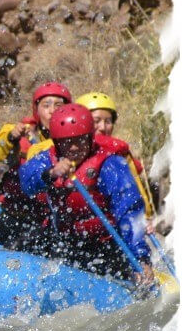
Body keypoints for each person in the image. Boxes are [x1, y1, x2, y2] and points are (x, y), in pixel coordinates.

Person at [18, 103, 154, 292]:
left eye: (80, 140)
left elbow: (129, 212)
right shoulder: (48, 159)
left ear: (91, 138)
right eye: (67, 142)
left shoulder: (110, 164)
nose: (74, 148)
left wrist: (141, 259)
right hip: (65, 243)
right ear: (57, 143)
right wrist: (50, 174)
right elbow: (26, 180)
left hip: (108, 246)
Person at [0, 82, 72, 249]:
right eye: (46, 105)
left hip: (44, 221)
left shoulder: (72, 142)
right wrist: (11, 138)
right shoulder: (18, 132)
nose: (52, 110)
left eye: (58, 105)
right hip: (13, 212)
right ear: (36, 110)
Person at [75, 91, 155, 230]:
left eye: (108, 121)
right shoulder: (67, 153)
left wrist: (142, 221)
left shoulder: (117, 156)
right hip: (81, 231)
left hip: (113, 229)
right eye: (96, 121)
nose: (103, 127)